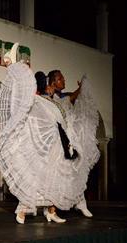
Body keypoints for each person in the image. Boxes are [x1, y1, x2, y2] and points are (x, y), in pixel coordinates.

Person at [0, 43, 99, 224]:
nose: (62, 81)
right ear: (49, 84)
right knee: (38, 176)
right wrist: (12, 67)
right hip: (44, 147)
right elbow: (21, 94)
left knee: (59, 177)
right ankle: (24, 209)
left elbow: (62, 120)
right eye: (59, 79)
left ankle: (52, 210)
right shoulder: (38, 101)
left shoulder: (56, 101)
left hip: (60, 145)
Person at [41, 70, 100, 218]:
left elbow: (73, 96)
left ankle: (79, 203)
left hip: (68, 140)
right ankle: (50, 209)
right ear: (53, 82)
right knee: (60, 175)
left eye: (63, 78)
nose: (64, 80)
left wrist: (82, 87)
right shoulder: (48, 96)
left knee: (76, 172)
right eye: (60, 79)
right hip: (57, 142)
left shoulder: (62, 96)